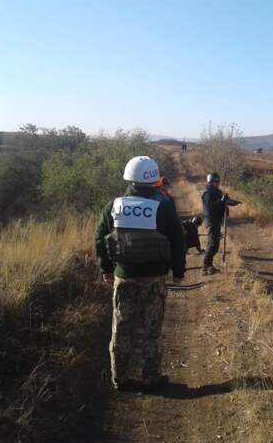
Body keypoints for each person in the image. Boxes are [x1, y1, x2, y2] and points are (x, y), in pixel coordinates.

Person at [95, 156, 185, 392]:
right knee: (150, 329)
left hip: (124, 277)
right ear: (155, 180)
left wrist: (106, 268)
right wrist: (178, 271)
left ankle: (120, 378)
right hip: (154, 279)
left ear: (129, 179)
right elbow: (178, 240)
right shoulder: (163, 207)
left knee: (121, 328)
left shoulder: (114, 206)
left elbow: (100, 238)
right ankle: (149, 378)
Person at [202, 172, 240, 275]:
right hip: (211, 220)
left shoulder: (217, 192)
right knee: (213, 244)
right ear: (210, 182)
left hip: (217, 220)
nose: (218, 183)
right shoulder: (207, 194)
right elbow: (210, 208)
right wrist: (222, 201)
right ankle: (205, 267)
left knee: (214, 244)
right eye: (216, 181)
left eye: (218, 181)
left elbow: (224, 201)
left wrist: (233, 202)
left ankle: (209, 266)